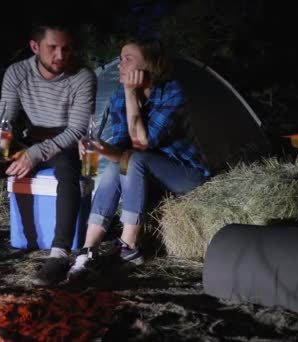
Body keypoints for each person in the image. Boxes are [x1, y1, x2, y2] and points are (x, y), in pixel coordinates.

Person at [0, 22, 96, 286]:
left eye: (66, 48)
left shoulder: (82, 75)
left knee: (67, 169)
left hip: (64, 144)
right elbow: (5, 116)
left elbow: (76, 129)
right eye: (52, 48)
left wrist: (37, 154)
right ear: (35, 46)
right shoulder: (17, 73)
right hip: (29, 140)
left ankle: (59, 254)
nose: (60, 56)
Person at [68, 37, 209, 279]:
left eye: (128, 59)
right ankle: (88, 249)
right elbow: (123, 147)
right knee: (115, 167)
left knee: (134, 159)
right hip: (144, 175)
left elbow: (142, 144)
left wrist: (130, 93)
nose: (120, 65)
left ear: (150, 65)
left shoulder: (172, 93)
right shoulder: (118, 99)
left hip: (183, 175)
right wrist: (99, 147)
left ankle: (129, 246)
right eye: (121, 58)